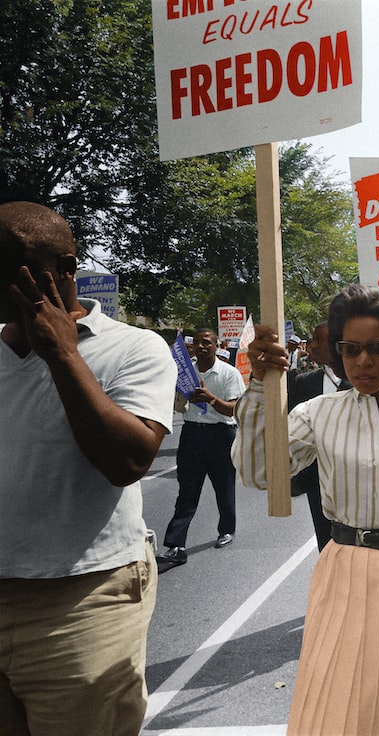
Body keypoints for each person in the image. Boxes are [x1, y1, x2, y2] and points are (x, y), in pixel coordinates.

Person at [234, 284, 379, 735]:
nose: (363, 361)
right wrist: (260, 388)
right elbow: (259, 472)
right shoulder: (317, 412)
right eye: (350, 348)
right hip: (344, 568)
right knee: (339, 694)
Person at [0, 201, 177, 734]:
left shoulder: (135, 348)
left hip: (83, 602)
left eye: (9, 271)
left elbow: (127, 461)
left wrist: (63, 356)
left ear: (65, 271)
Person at [158, 327, 246, 565]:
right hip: (192, 435)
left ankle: (227, 529)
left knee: (224, 488)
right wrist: (182, 397)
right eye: (197, 343)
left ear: (216, 345)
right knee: (187, 492)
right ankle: (176, 545)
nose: (202, 346)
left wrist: (211, 399)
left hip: (221, 435)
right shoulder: (185, 372)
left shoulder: (229, 373)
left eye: (207, 342)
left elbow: (235, 409)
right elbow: (174, 402)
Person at [287, 321, 349, 552]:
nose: (311, 345)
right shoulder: (303, 382)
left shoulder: (361, 382)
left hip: (353, 477)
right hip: (317, 478)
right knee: (327, 544)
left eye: (317, 339)